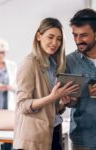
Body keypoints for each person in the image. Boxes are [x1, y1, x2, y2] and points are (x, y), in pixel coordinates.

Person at [13, 17, 79, 150]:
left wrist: (62, 102)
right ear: (38, 36)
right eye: (50, 37)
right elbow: (22, 105)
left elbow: (53, 108)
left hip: (55, 129)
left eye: (59, 39)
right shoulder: (29, 64)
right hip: (34, 137)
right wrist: (52, 97)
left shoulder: (54, 65)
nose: (55, 42)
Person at [66, 8, 96, 150]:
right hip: (83, 139)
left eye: (84, 35)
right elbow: (70, 103)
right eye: (75, 35)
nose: (78, 41)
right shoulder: (69, 62)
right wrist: (67, 100)